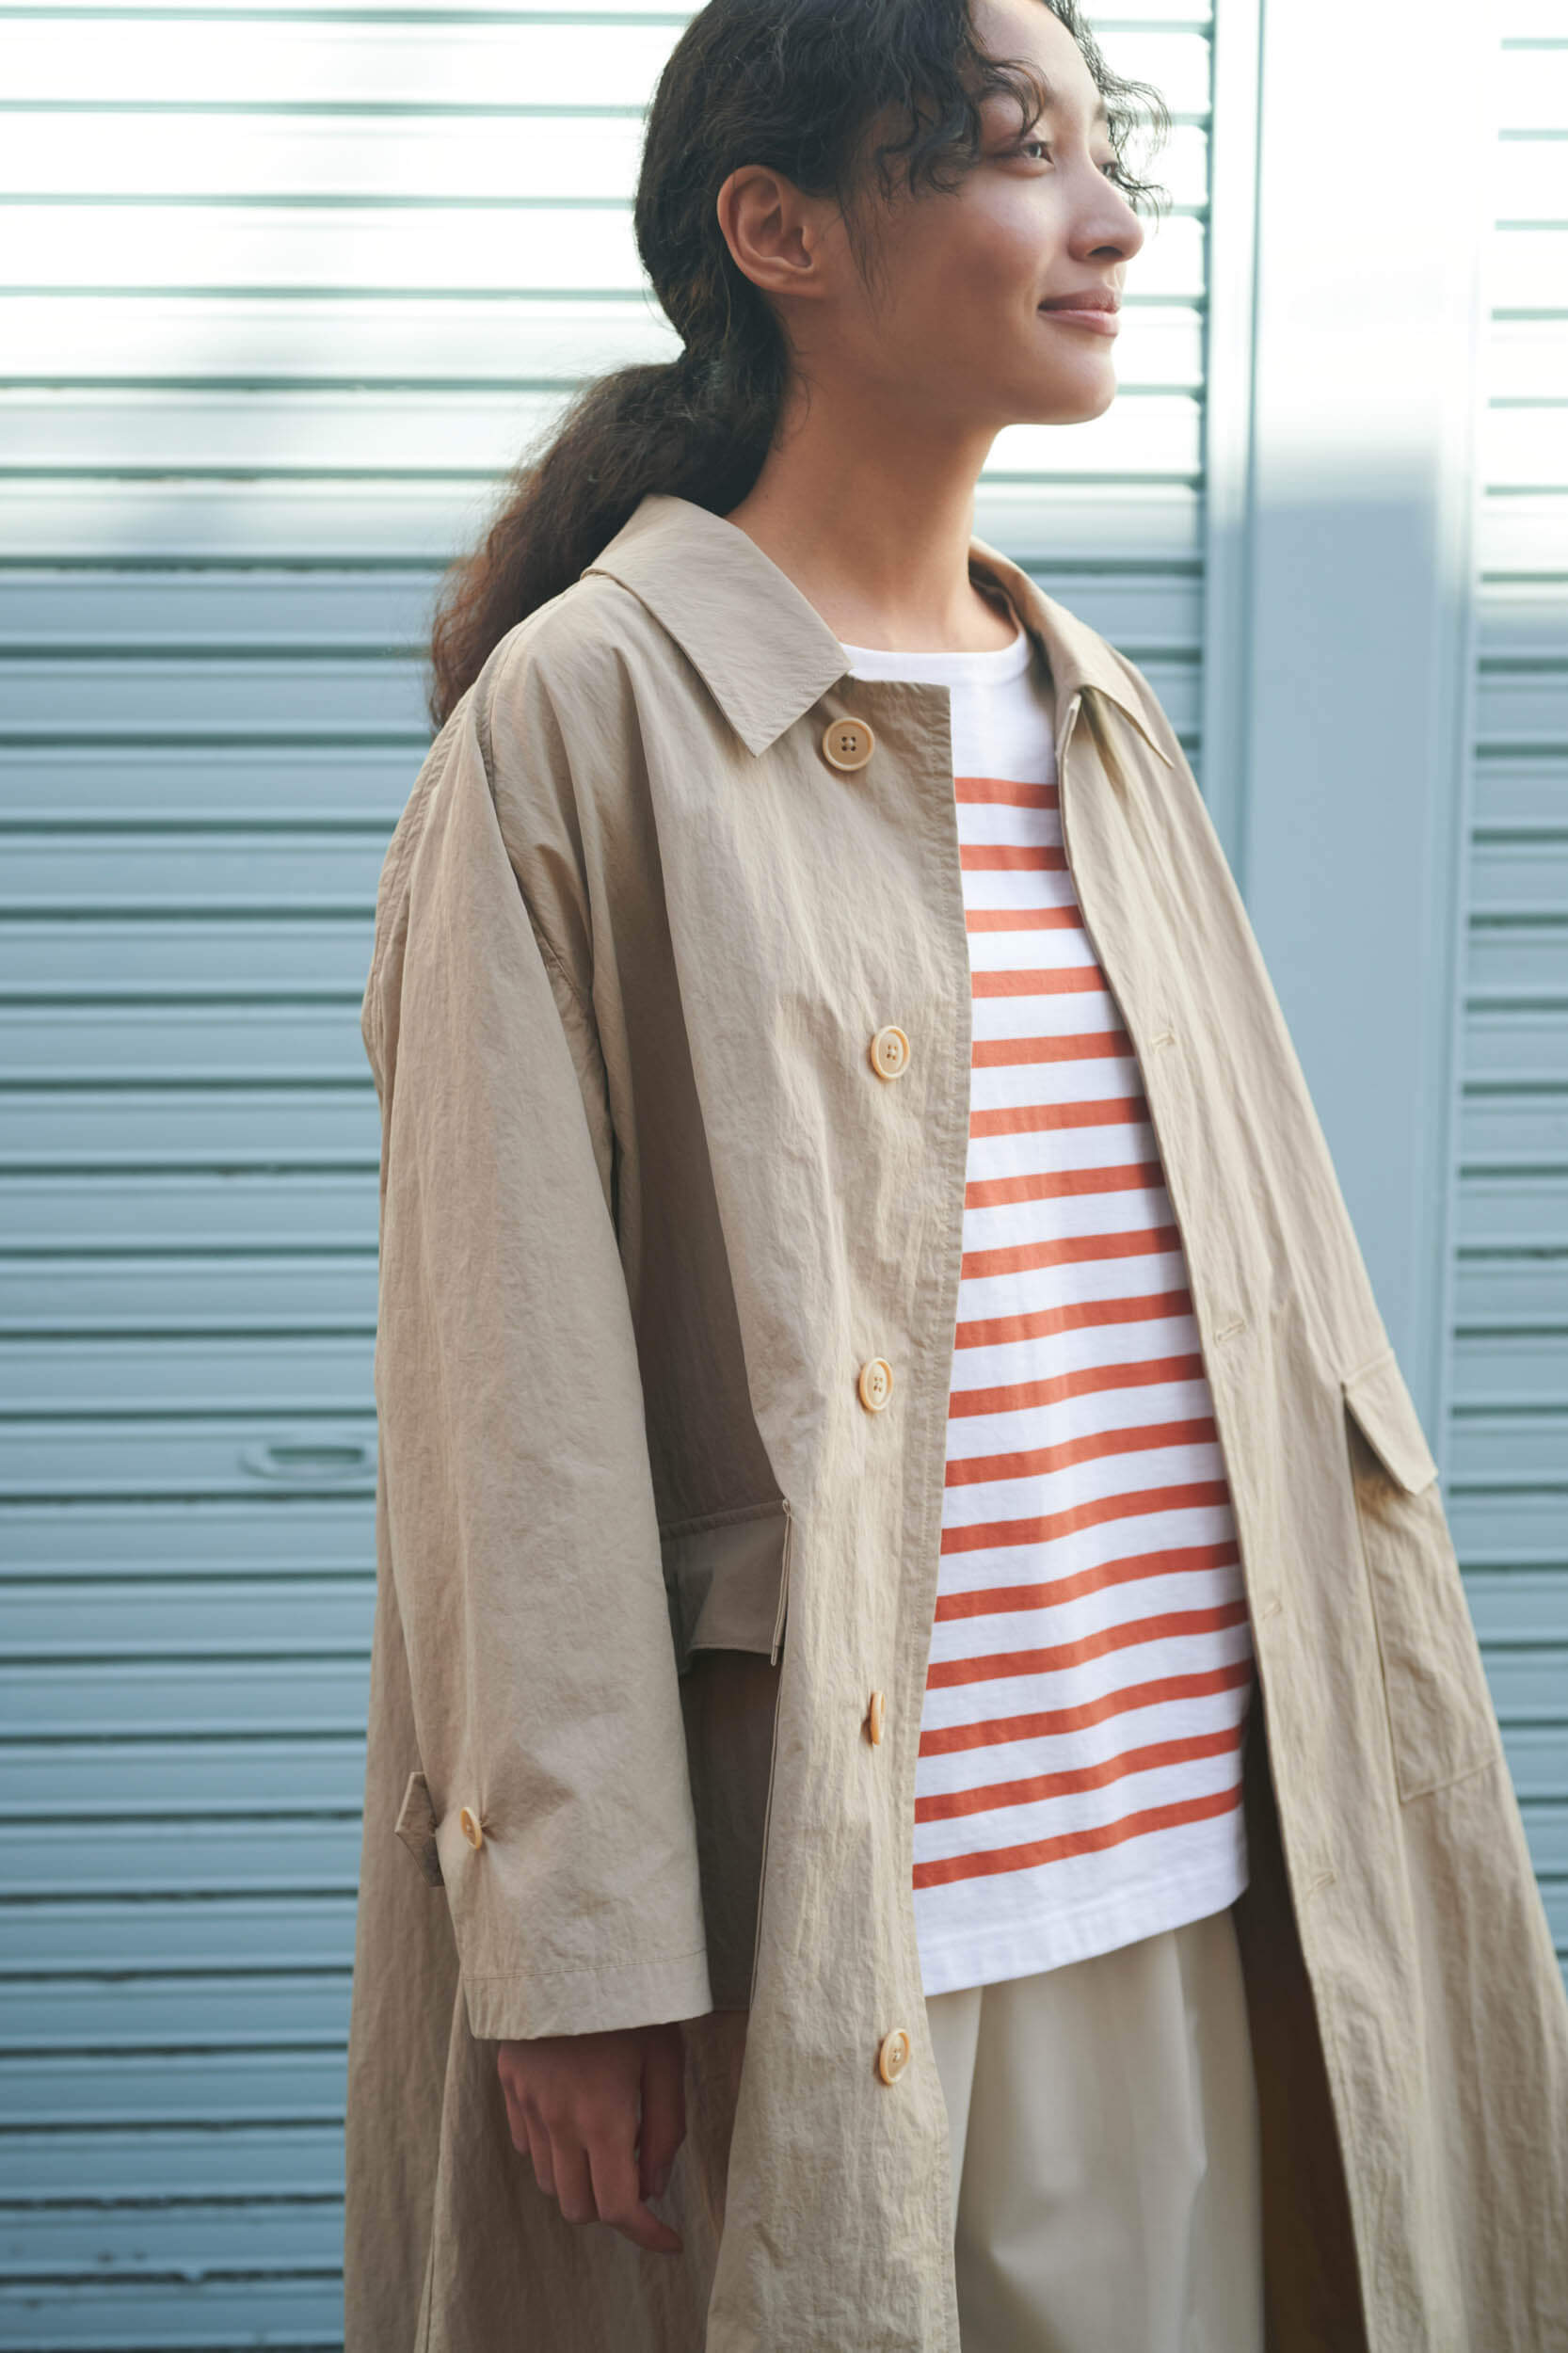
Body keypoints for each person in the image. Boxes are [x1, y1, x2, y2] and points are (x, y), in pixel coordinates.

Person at [344, 1, 1568, 2347]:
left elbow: (1264, 1308)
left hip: (1196, 1858)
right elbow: (505, 1402)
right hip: (831, 1909)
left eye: (1111, 157)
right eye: (1018, 153)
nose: (1108, 226)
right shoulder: (585, 721)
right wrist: (573, 1939)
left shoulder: (1089, 707)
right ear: (779, 229)